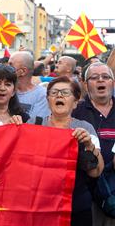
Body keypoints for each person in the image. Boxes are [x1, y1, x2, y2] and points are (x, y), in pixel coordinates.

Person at [27, 76, 104, 226]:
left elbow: (96, 172)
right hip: (39, 205)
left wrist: (88, 144)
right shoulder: (33, 124)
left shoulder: (85, 128)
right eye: (54, 92)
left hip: (75, 206)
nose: (59, 96)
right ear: (48, 99)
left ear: (75, 102)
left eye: (65, 93)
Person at [72, 62, 115, 226]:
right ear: (84, 84)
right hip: (86, 192)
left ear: (113, 82)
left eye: (105, 77)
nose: (100, 81)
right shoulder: (76, 111)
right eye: (94, 78)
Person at [9, 51, 50, 118]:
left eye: (10, 65)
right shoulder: (5, 91)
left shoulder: (42, 95)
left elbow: (35, 123)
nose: (6, 68)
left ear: (23, 71)